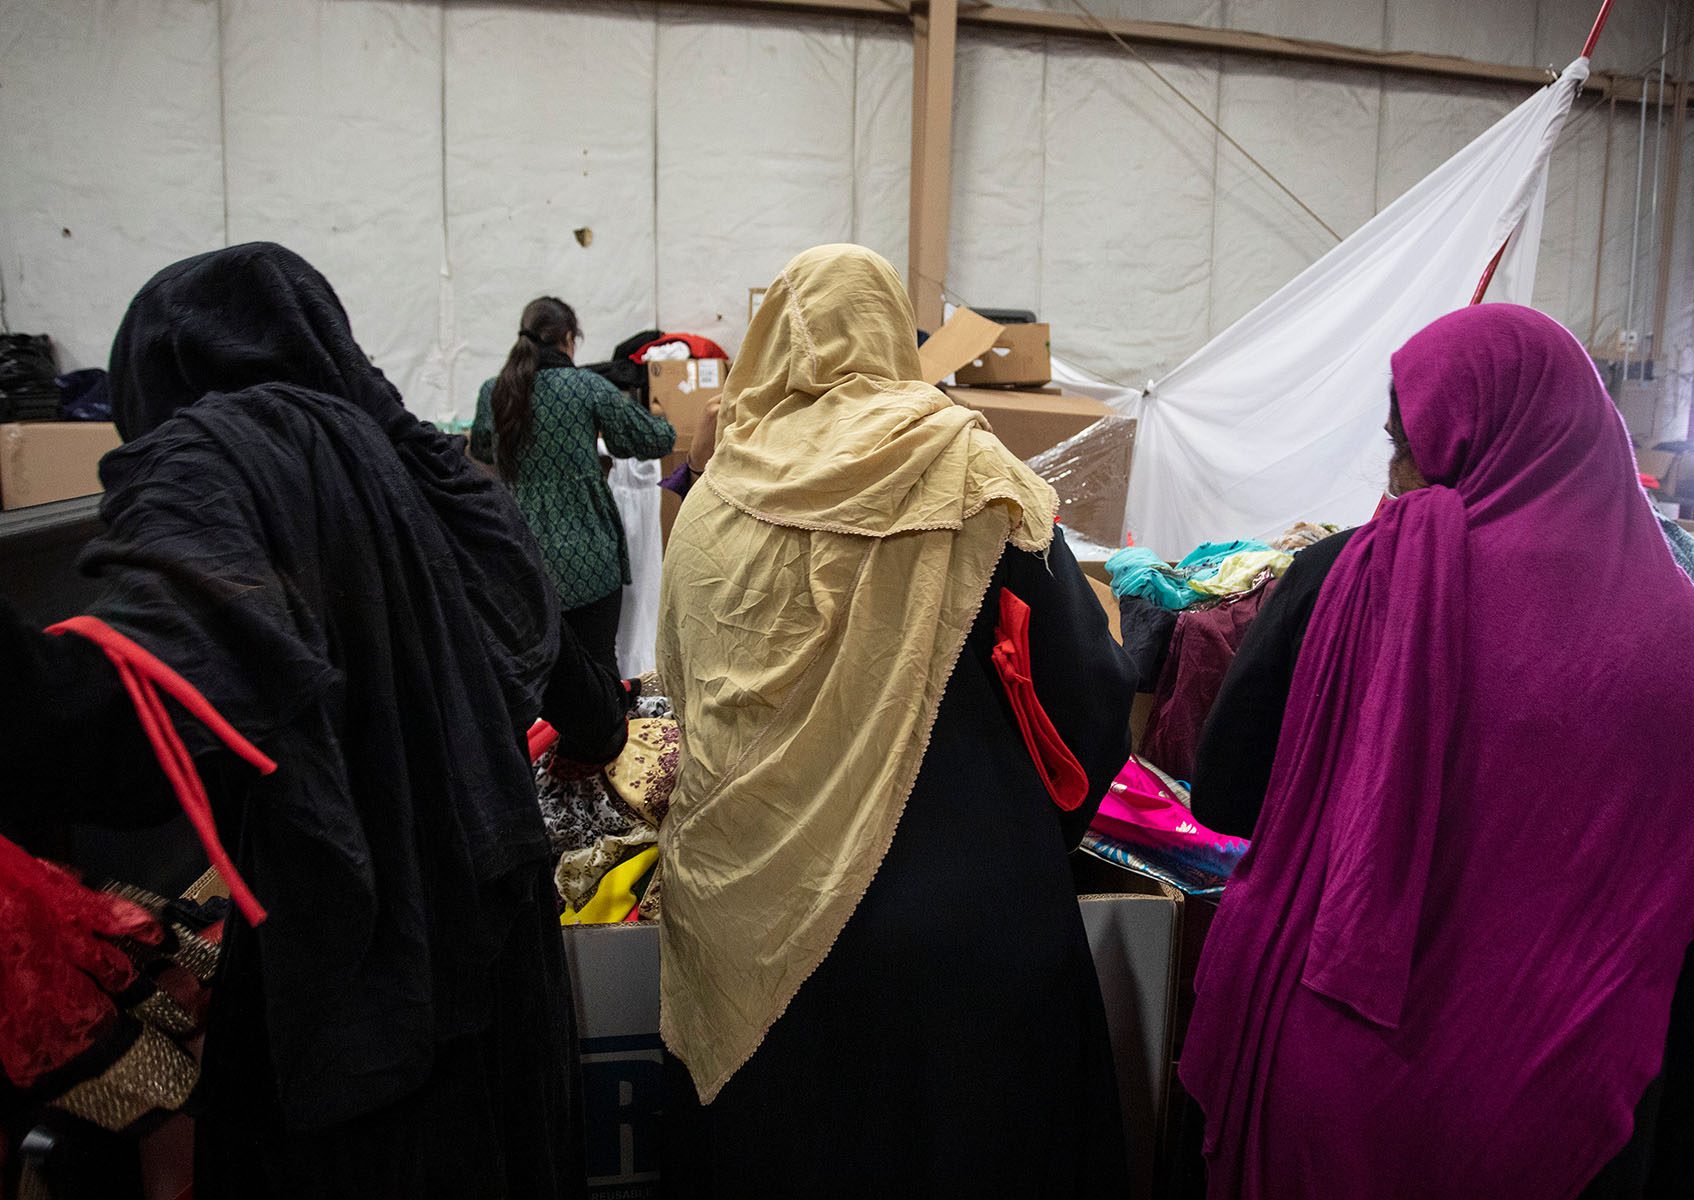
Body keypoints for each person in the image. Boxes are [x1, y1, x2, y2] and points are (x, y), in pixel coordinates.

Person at [0, 243, 625, 1198]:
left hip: (360, 964)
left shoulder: (221, 451)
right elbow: (586, 701)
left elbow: (123, 724)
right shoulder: (420, 458)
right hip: (502, 959)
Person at [1179, 304, 1694, 1199]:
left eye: (1406, 446)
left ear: (1466, 442)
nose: (1392, 478)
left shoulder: (1345, 583)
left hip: (1327, 1090)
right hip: (1561, 1126)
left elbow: (1226, 795)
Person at [655, 245, 1136, 1196]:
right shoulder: (964, 468)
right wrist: (1022, 832)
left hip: (754, 933)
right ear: (889, 334)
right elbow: (1088, 692)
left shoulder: (714, 500)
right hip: (967, 923)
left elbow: (684, 687)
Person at [473, 297, 676, 682]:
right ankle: (600, 740)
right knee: (598, 665)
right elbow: (653, 441)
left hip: (523, 556)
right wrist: (663, 417)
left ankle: (538, 741)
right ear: (568, 339)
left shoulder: (494, 391)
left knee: (535, 671)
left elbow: (483, 448)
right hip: (589, 555)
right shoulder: (586, 387)